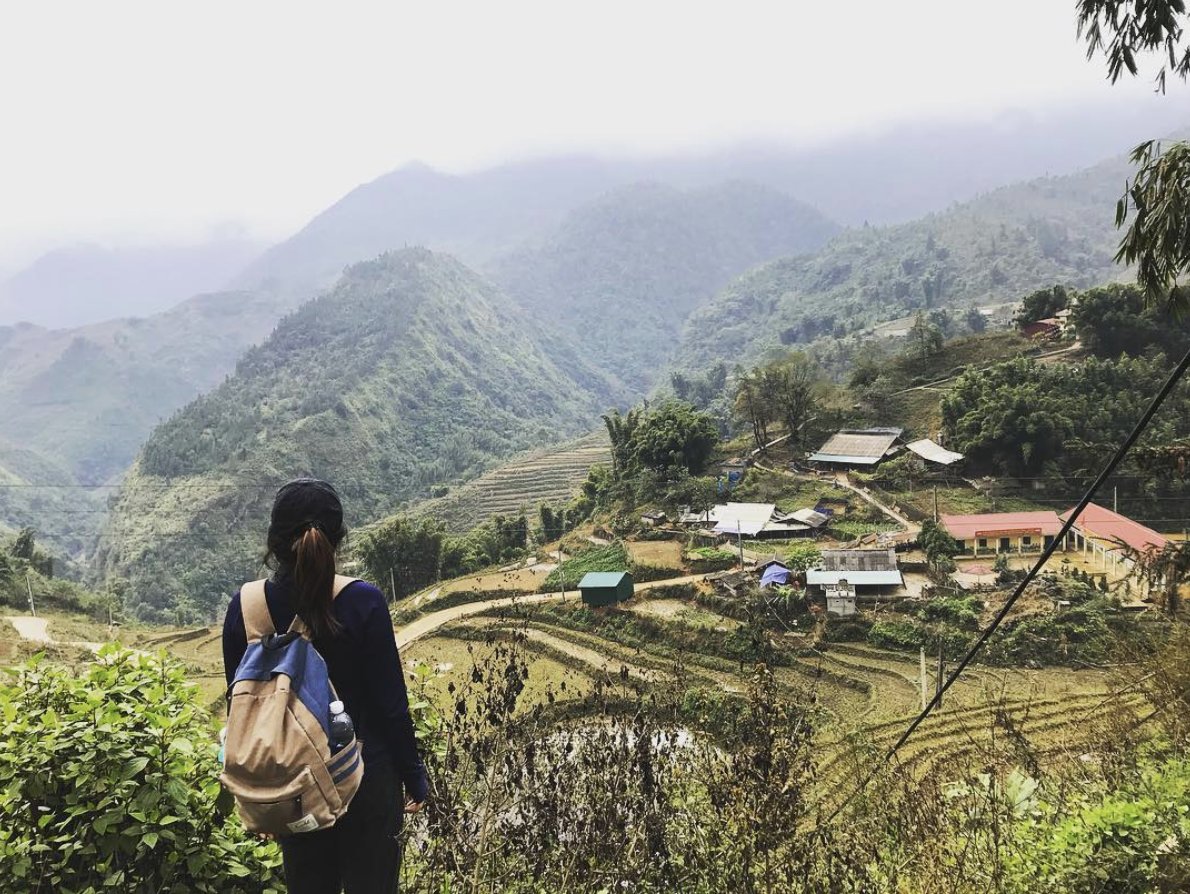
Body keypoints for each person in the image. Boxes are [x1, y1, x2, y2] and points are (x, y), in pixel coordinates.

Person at [222, 478, 428, 893]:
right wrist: (415, 777)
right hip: (368, 777)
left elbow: (243, 710)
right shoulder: (363, 601)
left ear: (274, 542)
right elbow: (391, 706)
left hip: (295, 783)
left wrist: (261, 793)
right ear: (337, 540)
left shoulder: (247, 608)